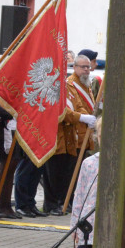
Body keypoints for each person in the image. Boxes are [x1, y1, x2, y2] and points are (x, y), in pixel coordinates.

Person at [48, 49, 98, 215]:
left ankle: (66, 201)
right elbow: (72, 108)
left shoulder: (86, 84)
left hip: (81, 135)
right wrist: (83, 117)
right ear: (74, 67)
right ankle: (55, 203)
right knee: (59, 173)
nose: (86, 70)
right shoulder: (70, 84)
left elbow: (87, 106)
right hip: (70, 134)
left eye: (88, 67)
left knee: (72, 174)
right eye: (83, 67)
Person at [69, 118, 103, 248]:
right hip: (88, 229)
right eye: (103, 135)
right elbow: (79, 196)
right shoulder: (89, 163)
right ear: (97, 137)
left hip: (109, 232)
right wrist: (75, 226)